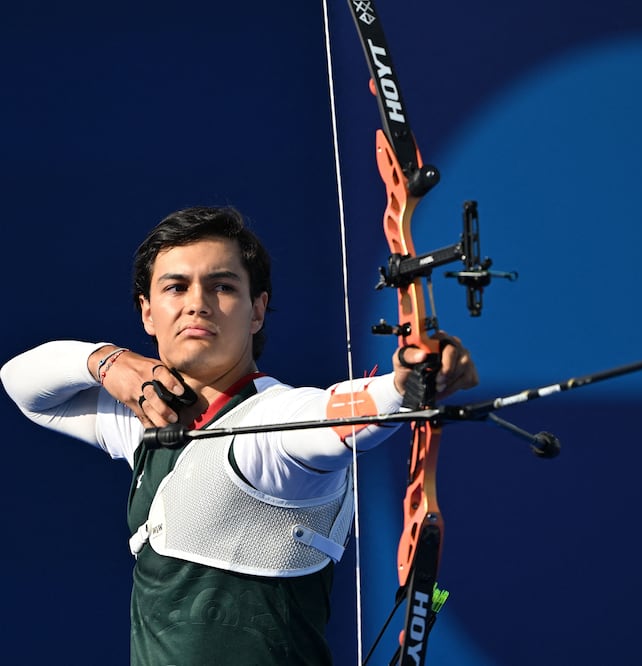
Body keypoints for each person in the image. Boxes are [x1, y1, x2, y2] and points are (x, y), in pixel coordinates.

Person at [0, 206, 477, 665]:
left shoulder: (273, 424)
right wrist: (106, 361)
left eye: (222, 286)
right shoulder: (148, 419)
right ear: (148, 313)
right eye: (176, 287)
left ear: (257, 311)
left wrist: (404, 385)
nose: (197, 304)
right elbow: (21, 385)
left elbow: (334, 417)